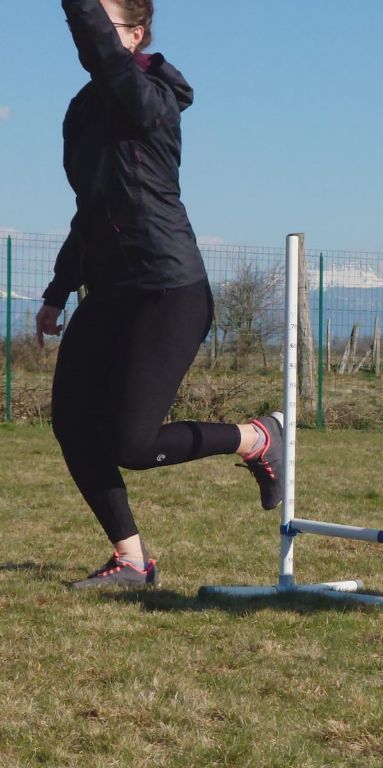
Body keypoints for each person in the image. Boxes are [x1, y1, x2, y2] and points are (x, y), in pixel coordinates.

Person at [37, 0, 283, 589]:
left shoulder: (149, 95)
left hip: (167, 288)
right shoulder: (84, 108)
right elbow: (90, 209)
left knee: (133, 443)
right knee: (72, 423)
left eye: (102, 21)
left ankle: (257, 438)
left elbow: (104, 56)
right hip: (110, 290)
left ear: (135, 35)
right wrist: (58, 291)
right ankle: (130, 560)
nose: (89, 33)